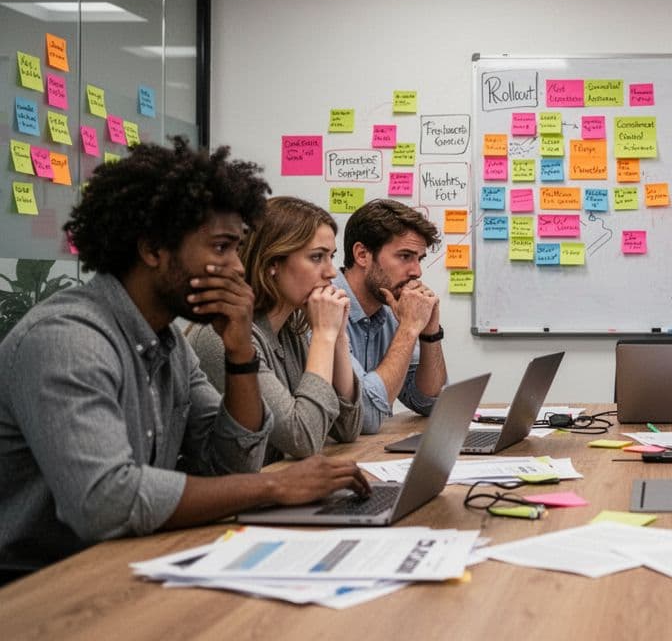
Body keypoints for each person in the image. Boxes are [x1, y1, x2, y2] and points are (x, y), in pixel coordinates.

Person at [0, 140, 369, 581]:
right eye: (221, 248)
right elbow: (106, 502)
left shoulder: (168, 340)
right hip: (40, 586)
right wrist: (275, 485)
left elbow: (231, 463)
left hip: (127, 563)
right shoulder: (67, 339)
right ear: (153, 249)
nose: (236, 267)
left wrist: (240, 354)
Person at [187, 197, 361, 461]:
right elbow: (302, 437)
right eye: (317, 257)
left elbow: (348, 428)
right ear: (272, 264)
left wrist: (338, 336)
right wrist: (324, 335)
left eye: (331, 257)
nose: (331, 272)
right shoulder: (225, 335)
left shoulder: (291, 330)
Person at [334, 199, 448, 433]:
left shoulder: (390, 309)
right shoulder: (326, 307)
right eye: (405, 256)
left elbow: (429, 402)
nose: (416, 271)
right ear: (362, 254)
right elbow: (365, 417)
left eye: (419, 259)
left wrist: (430, 333)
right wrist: (408, 329)